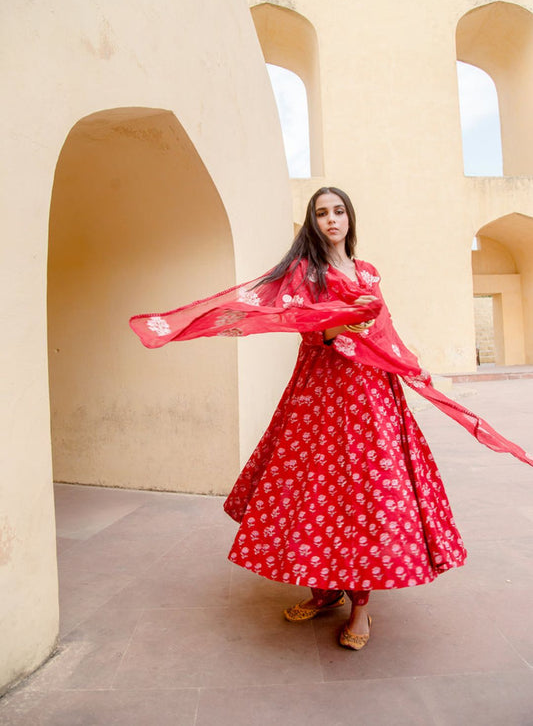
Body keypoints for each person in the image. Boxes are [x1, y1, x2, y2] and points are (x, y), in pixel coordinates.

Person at [130, 186, 532, 651]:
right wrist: (339, 326)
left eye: (338, 211)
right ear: (312, 222)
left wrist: (406, 361)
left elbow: (384, 327)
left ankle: (361, 606)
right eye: (321, 213)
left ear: (350, 218)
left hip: (370, 397)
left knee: (365, 492)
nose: (331, 220)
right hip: (321, 394)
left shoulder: (366, 271)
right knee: (316, 487)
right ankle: (324, 590)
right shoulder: (305, 272)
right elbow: (299, 324)